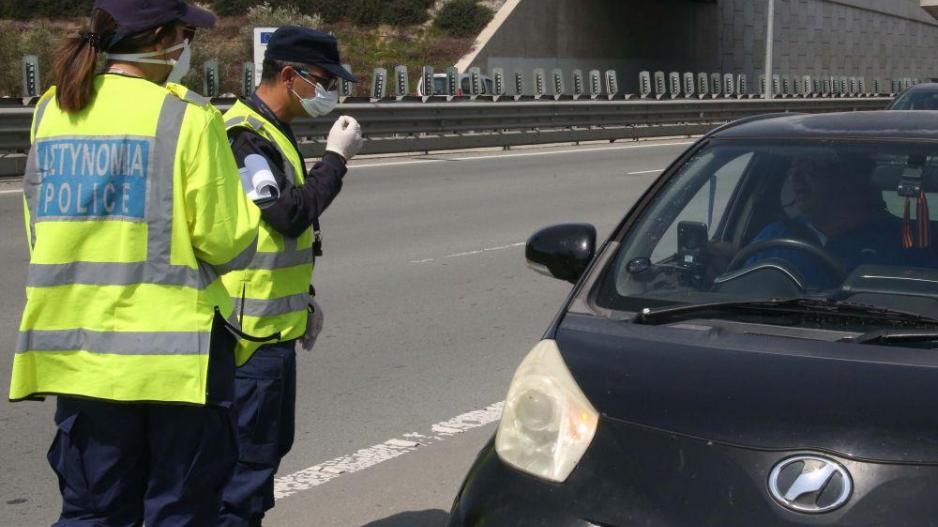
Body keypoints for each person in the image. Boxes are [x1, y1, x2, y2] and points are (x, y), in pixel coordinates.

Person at [8, 1, 261, 525]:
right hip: (175, 363)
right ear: (160, 38)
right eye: (187, 33)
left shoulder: (52, 111)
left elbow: (41, 229)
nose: (189, 47)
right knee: (179, 511)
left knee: (92, 513)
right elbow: (230, 242)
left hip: (79, 355)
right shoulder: (185, 116)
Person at [218, 26, 363, 527]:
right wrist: (336, 160)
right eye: (323, 81)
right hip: (248, 341)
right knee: (243, 478)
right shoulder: (244, 135)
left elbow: (272, 242)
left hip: (273, 330)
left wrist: (303, 297)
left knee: (262, 461)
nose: (329, 94)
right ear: (288, 75)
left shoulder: (272, 132)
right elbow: (285, 214)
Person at [745, 155, 908, 287]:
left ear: (844, 177)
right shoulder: (774, 238)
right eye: (792, 170)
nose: (795, 177)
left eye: (809, 168)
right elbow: (738, 291)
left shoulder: (899, 242)